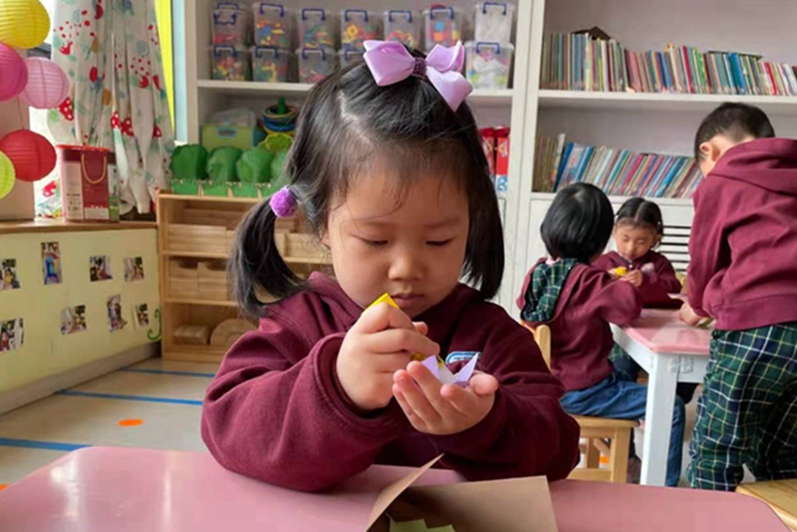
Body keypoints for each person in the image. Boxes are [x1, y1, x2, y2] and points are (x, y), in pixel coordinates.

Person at [201, 42, 580, 491]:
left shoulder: (489, 336)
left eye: (439, 240)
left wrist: (487, 423)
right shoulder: (299, 324)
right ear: (320, 223)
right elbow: (225, 424)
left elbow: (560, 448)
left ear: (472, 221)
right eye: (376, 240)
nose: (406, 268)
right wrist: (337, 386)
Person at [681, 103, 797, 491]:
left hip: (760, 331)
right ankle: (785, 531)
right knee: (779, 453)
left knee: (716, 451)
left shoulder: (721, 180)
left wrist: (697, 304)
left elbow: (704, 258)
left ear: (709, 150)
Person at [518, 183, 686, 486]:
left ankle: (628, 460)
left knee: (622, 374)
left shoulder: (538, 271)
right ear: (600, 240)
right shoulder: (591, 280)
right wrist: (620, 284)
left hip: (548, 382)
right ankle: (665, 489)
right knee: (671, 406)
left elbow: (524, 307)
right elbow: (628, 309)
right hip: (584, 390)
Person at [594, 198, 696, 404]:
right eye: (625, 239)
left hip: (660, 333)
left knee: (684, 370)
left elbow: (673, 289)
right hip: (619, 338)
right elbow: (591, 291)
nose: (631, 248)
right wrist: (605, 280)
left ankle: (668, 407)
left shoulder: (659, 263)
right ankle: (629, 412)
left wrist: (648, 280)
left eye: (641, 242)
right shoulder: (603, 263)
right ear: (614, 232)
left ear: (655, 238)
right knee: (622, 367)